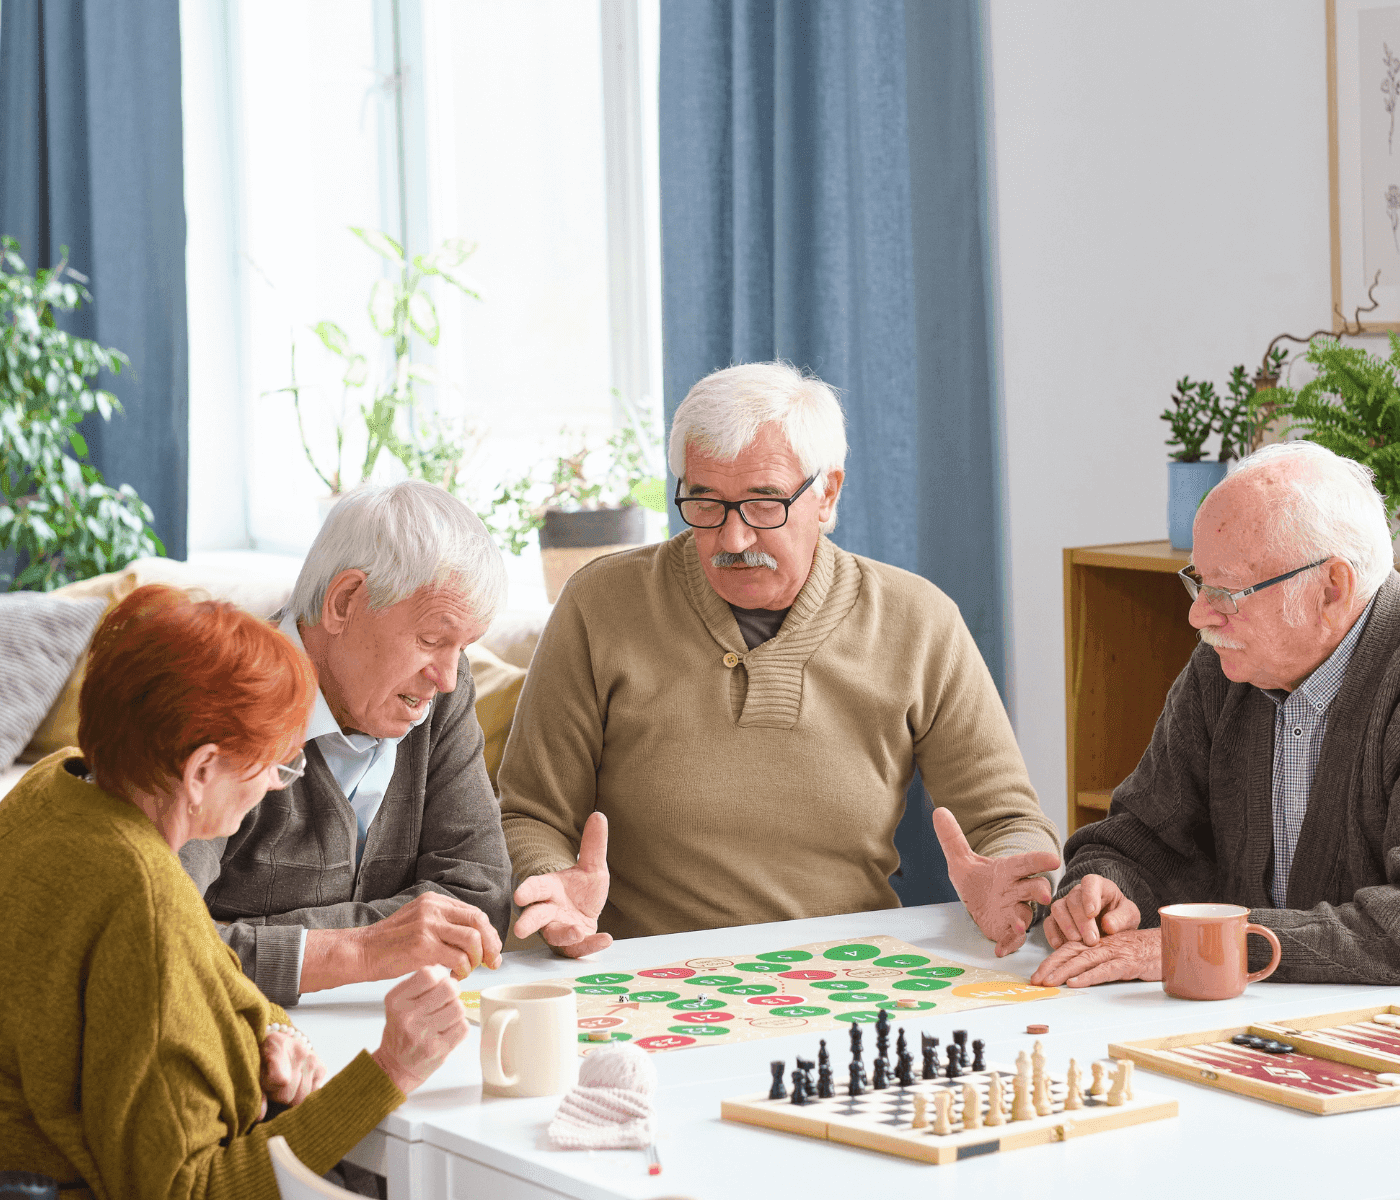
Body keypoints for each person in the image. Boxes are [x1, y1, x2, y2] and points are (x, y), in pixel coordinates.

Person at [500, 361, 1061, 956]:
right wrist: (551, 885)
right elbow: (530, 814)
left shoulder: (918, 621)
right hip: (643, 969)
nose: (733, 540)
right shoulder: (601, 604)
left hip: (848, 973)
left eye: (765, 503)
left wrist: (1010, 877)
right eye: (705, 502)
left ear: (828, 494)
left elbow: (1005, 821)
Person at [0, 587, 469, 1197]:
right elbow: (189, 1189)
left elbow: (198, 978)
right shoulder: (144, 895)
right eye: (274, 764)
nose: (276, 787)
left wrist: (269, 1031)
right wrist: (390, 1071)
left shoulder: (52, 788)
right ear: (200, 772)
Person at [1032, 441, 1400, 988]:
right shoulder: (1226, 669)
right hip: (1246, 1016)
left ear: (1332, 588)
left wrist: (1201, 947)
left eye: (1227, 591)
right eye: (1199, 580)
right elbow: (1141, 836)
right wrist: (1105, 888)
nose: (1197, 613)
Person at [180, 481, 513, 1006]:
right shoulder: (222, 695)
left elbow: (478, 900)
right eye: (430, 640)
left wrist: (253, 936)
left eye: (461, 647)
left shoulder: (439, 693)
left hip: (386, 1022)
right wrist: (359, 951)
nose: (447, 676)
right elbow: (164, 946)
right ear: (343, 602)